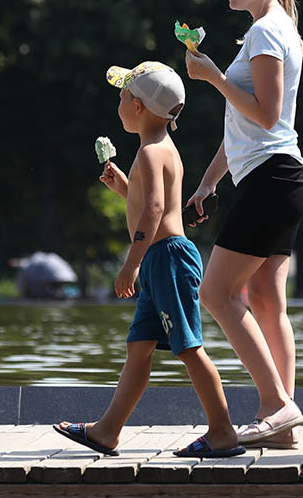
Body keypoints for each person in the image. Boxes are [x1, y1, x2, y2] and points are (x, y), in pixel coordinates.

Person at [54, 61, 244, 459]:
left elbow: (155, 210)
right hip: (161, 257)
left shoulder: (150, 153)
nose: (119, 104)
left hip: (166, 260)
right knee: (139, 347)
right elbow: (152, 205)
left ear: (139, 107)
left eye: (123, 97)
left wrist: (131, 264)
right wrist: (125, 187)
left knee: (188, 347)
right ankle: (107, 431)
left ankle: (223, 431)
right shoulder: (160, 151)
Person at [183, 0, 303, 448]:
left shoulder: (263, 34)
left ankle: (277, 405)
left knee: (215, 292)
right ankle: (282, 426)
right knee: (264, 299)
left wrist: (213, 77)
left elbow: (265, 113)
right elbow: (247, 126)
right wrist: (209, 182)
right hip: (278, 177)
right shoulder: (275, 29)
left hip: (272, 179)